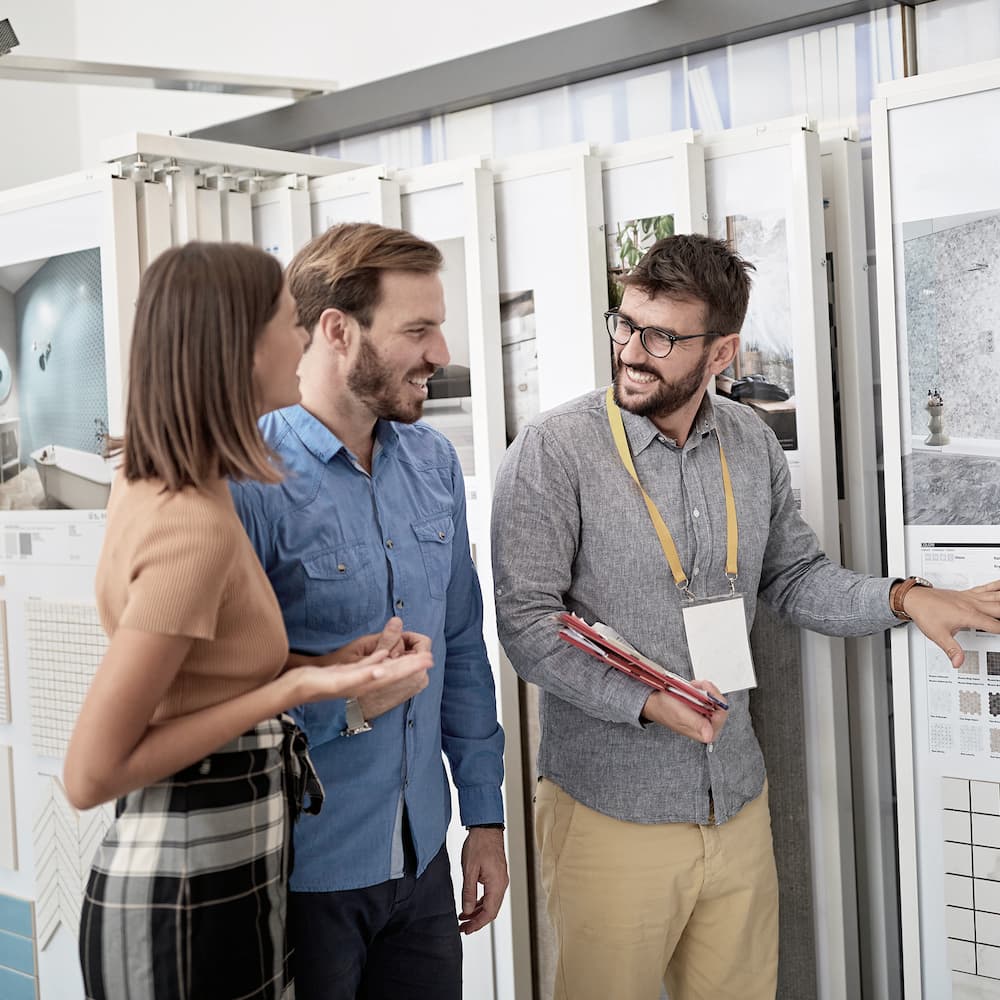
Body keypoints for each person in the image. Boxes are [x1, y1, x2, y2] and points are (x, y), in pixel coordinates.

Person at [490, 233, 1000, 1000]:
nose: (632, 352)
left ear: (721, 352)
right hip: (610, 814)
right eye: (626, 325)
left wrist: (905, 597)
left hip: (734, 799)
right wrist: (647, 701)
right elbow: (527, 625)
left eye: (662, 338)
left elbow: (792, 577)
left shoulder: (749, 441)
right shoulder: (553, 450)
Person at [64, 241, 432, 1000]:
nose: (302, 339)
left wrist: (326, 667)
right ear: (238, 345)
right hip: (185, 892)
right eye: (286, 321)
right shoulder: (193, 523)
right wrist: (291, 691)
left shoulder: (163, 482)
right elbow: (90, 773)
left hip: (223, 871)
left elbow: (192, 683)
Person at [230, 222, 508, 1000]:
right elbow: (217, 700)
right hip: (302, 874)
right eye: (417, 330)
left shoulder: (434, 463)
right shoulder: (247, 479)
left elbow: (461, 645)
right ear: (337, 330)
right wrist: (346, 706)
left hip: (422, 865)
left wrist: (484, 818)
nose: (439, 352)